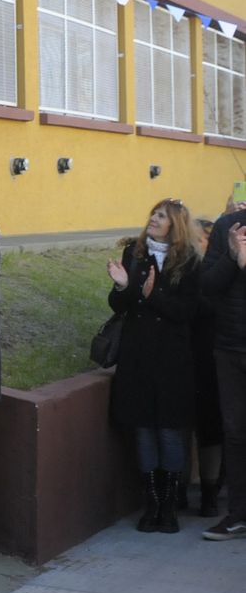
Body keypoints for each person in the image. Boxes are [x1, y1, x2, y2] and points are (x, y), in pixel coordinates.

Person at [105, 200, 200, 534]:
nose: (154, 220)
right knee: (144, 429)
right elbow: (119, 305)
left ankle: (170, 507)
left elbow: (187, 311)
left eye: (161, 216)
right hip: (138, 355)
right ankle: (152, 504)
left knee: (169, 432)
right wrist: (122, 285)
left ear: (176, 224)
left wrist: (152, 294)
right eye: (153, 215)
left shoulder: (189, 259)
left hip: (172, 359)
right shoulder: (136, 252)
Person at [198, 194, 246, 540]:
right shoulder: (228, 227)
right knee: (236, 432)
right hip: (230, 348)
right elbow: (207, 287)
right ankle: (238, 515)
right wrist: (232, 256)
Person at [188, 217, 224, 516]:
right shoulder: (183, 268)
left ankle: (211, 490)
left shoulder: (214, 270)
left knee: (212, 426)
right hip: (181, 354)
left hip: (210, 354)